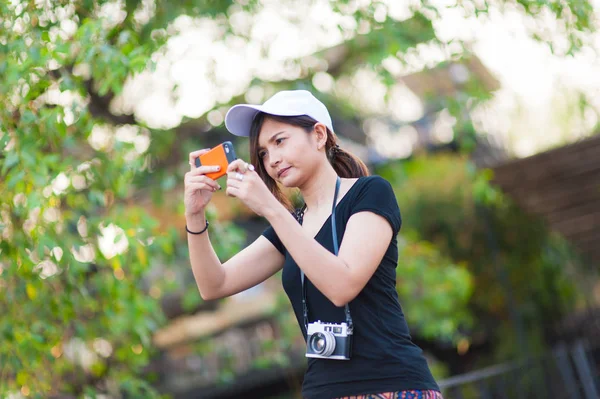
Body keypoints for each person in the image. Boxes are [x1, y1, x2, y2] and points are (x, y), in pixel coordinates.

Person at [183, 90, 442, 399]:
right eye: (263, 153)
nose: (272, 160)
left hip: (392, 386)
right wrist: (195, 214)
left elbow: (343, 284)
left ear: (319, 135)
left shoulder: (370, 193)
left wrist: (272, 210)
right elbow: (214, 284)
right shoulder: (290, 225)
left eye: (279, 141)